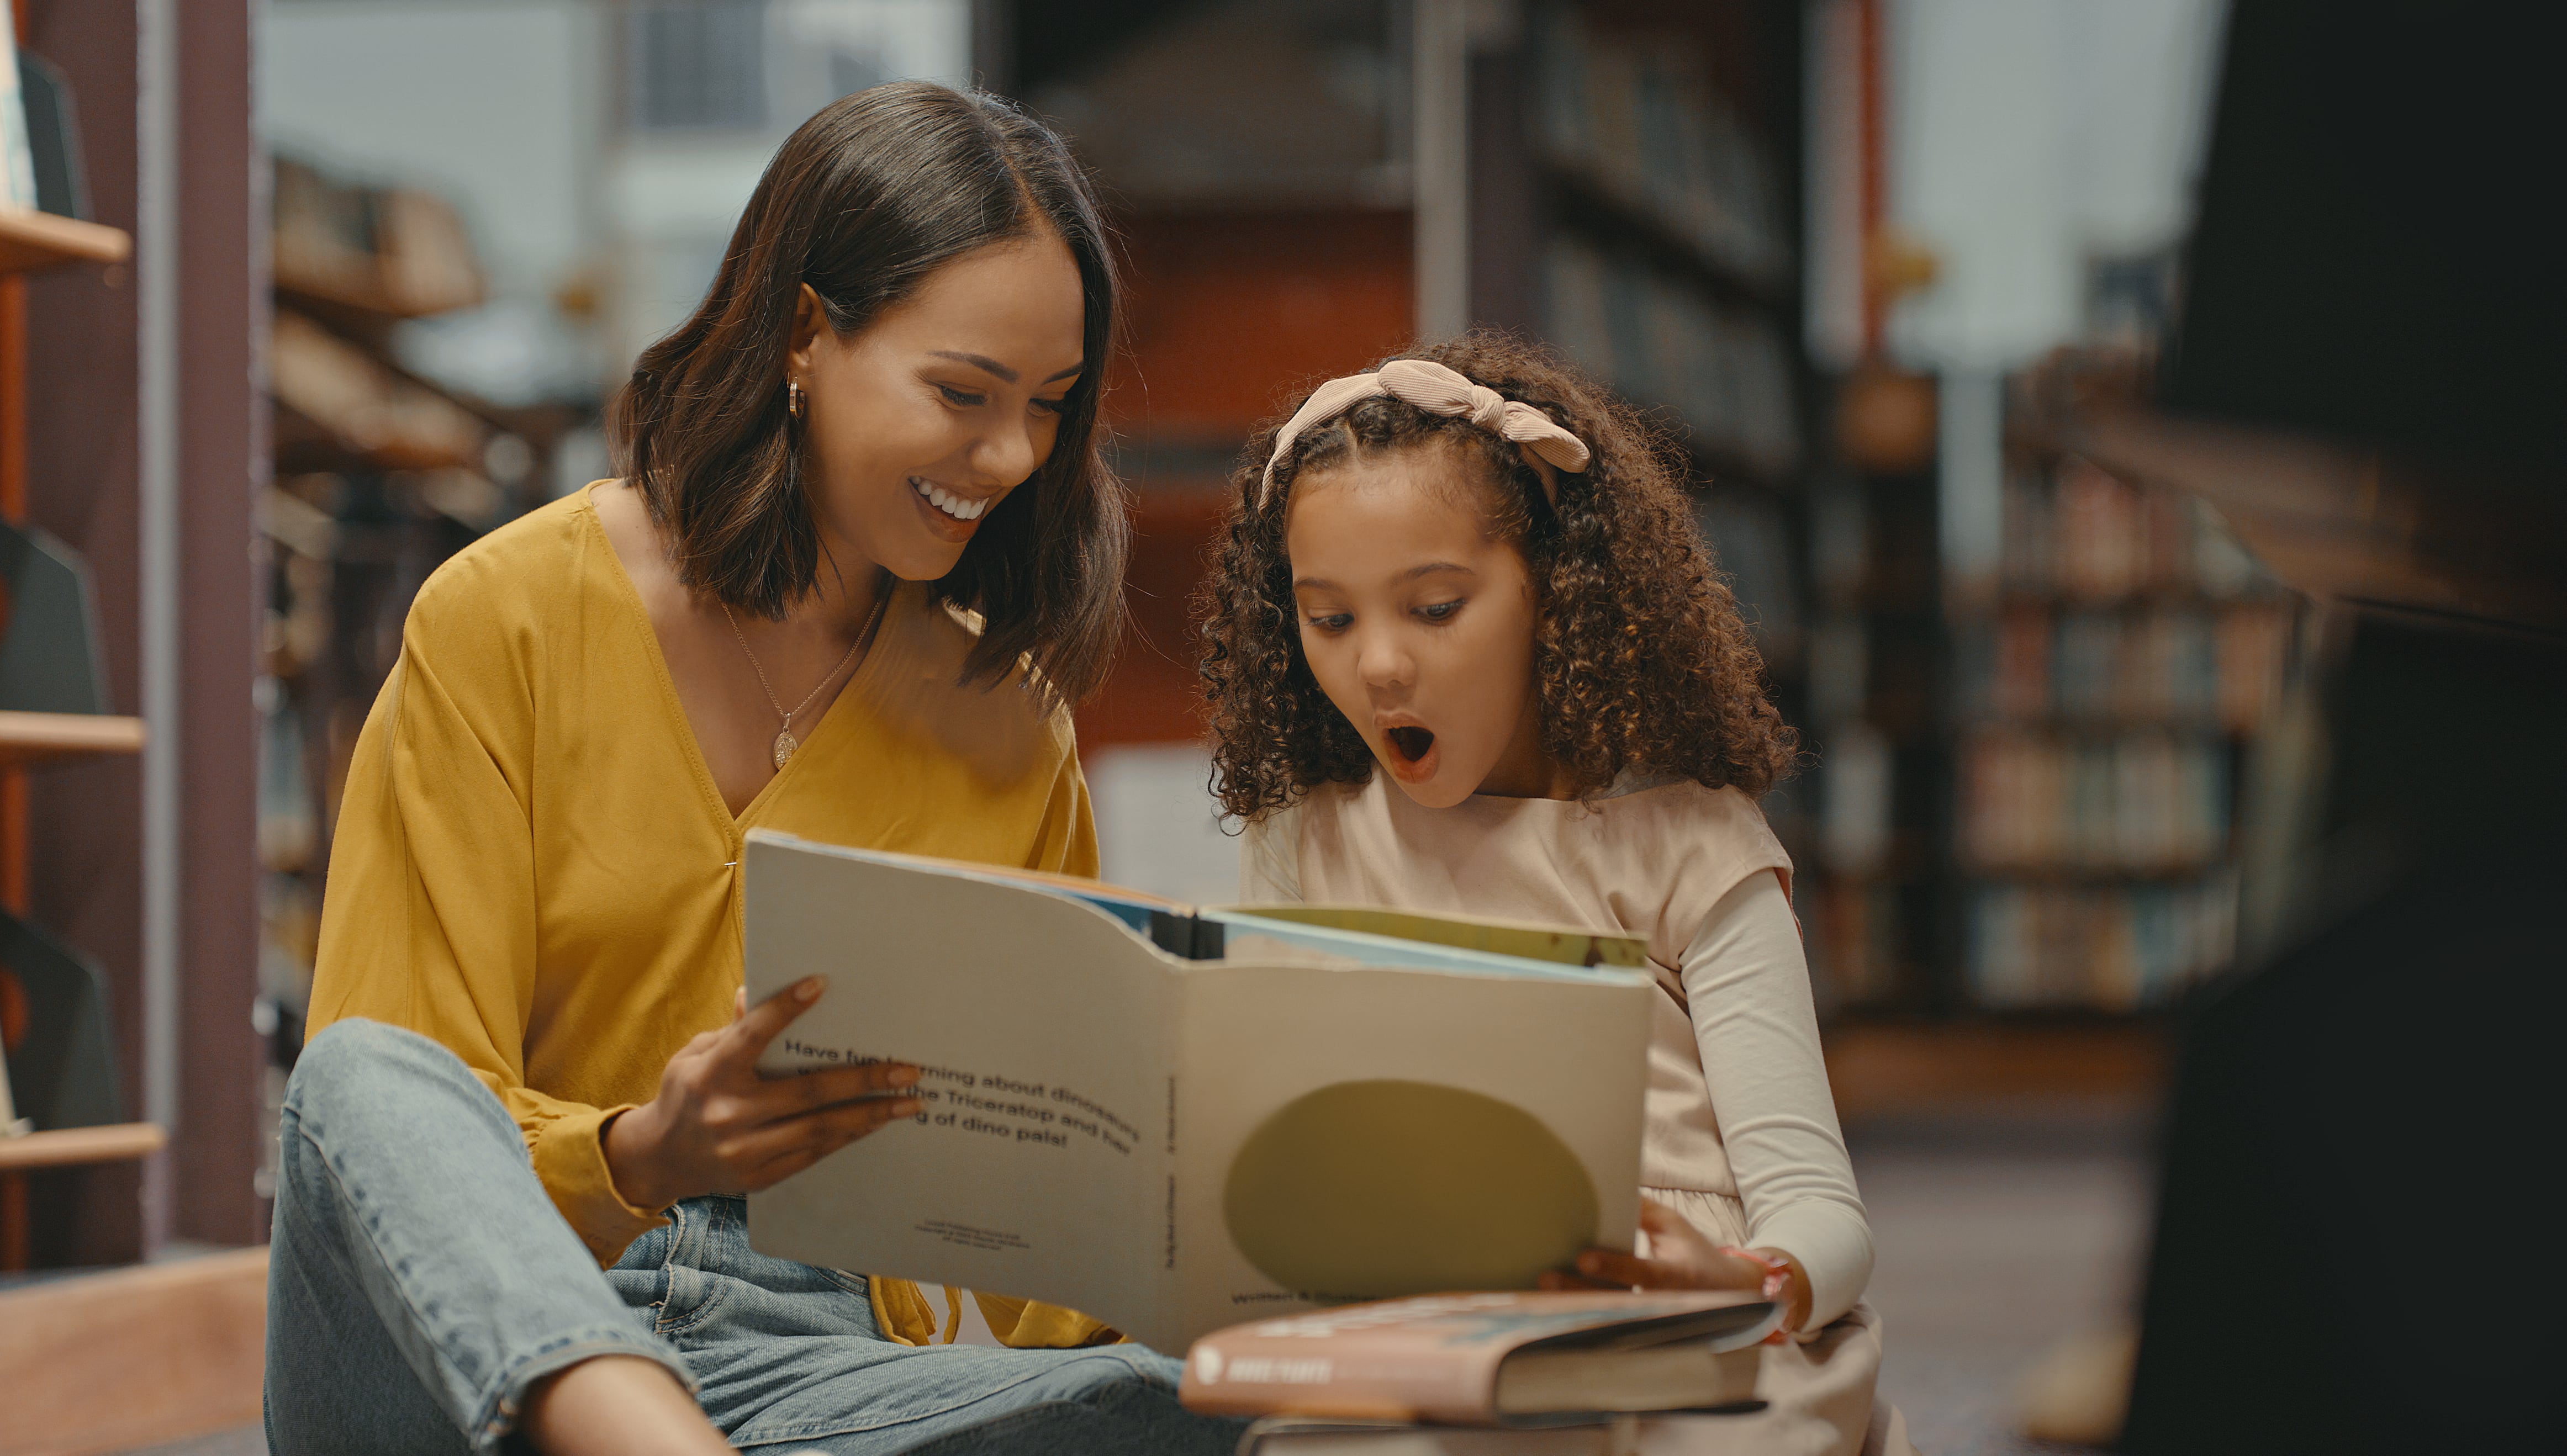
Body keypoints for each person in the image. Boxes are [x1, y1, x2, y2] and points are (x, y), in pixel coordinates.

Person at [266, 81, 1242, 1456]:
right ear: (802, 332)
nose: (1012, 455)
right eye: (962, 392)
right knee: (361, 1073)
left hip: (808, 1380)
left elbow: (1048, 1287)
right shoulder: (508, 616)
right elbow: (391, 1160)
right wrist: (639, 1157)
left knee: (1200, 1402)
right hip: (458, 1359)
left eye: (1050, 406)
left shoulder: (1007, 725)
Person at [1198, 334, 1916, 1455]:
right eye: (1328, 617)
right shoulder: (1304, 840)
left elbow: (1824, 1216)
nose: (1377, 664)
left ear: (1553, 596)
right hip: (1430, 1327)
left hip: (1691, 1327)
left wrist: (1744, 1278)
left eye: (1434, 607)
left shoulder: (1689, 839)